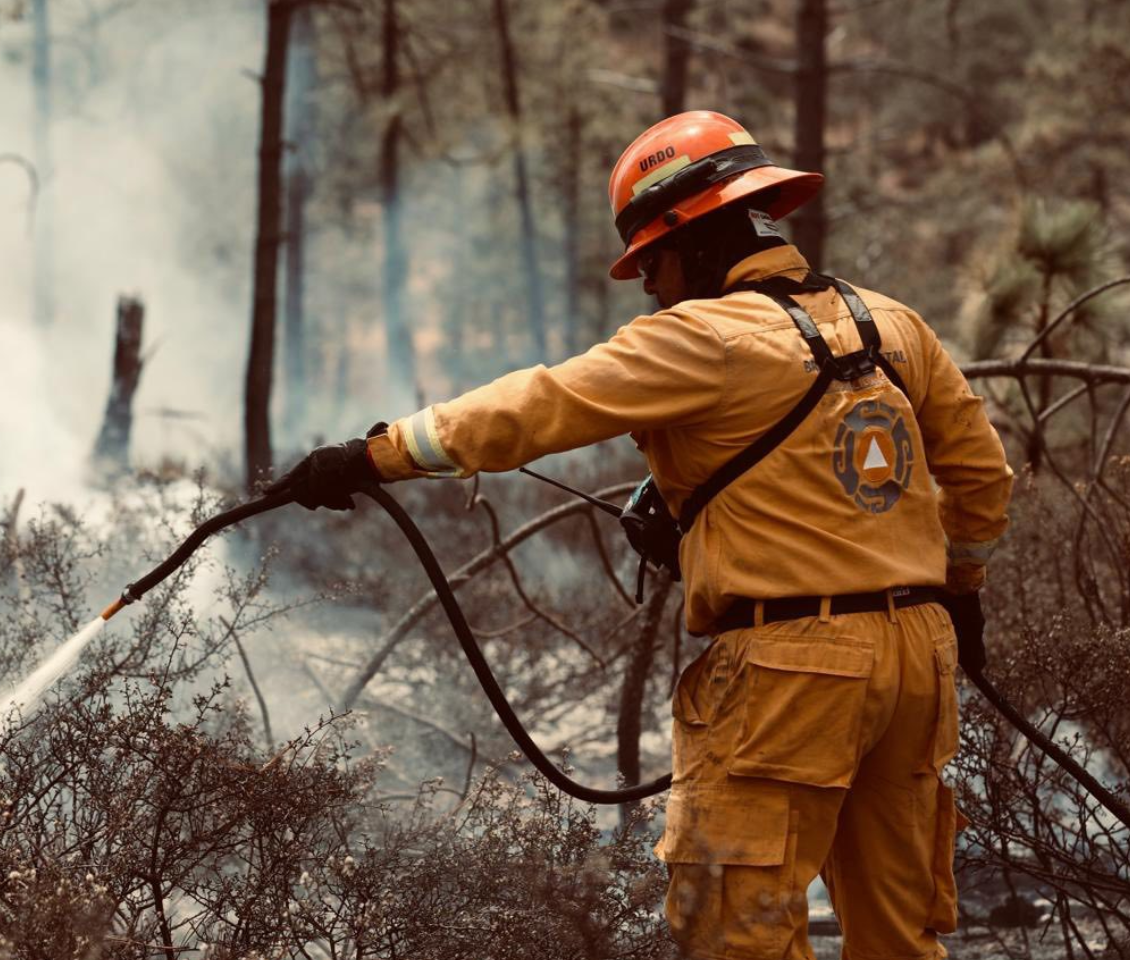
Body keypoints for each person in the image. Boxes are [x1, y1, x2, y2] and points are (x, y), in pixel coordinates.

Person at [282, 111, 1013, 959]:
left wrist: (375, 455)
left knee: (737, 934)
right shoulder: (893, 325)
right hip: (918, 658)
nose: (651, 290)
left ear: (692, 239)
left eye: (652, 266)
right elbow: (982, 478)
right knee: (900, 936)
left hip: (789, 668)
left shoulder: (701, 339)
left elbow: (537, 405)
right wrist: (958, 597)